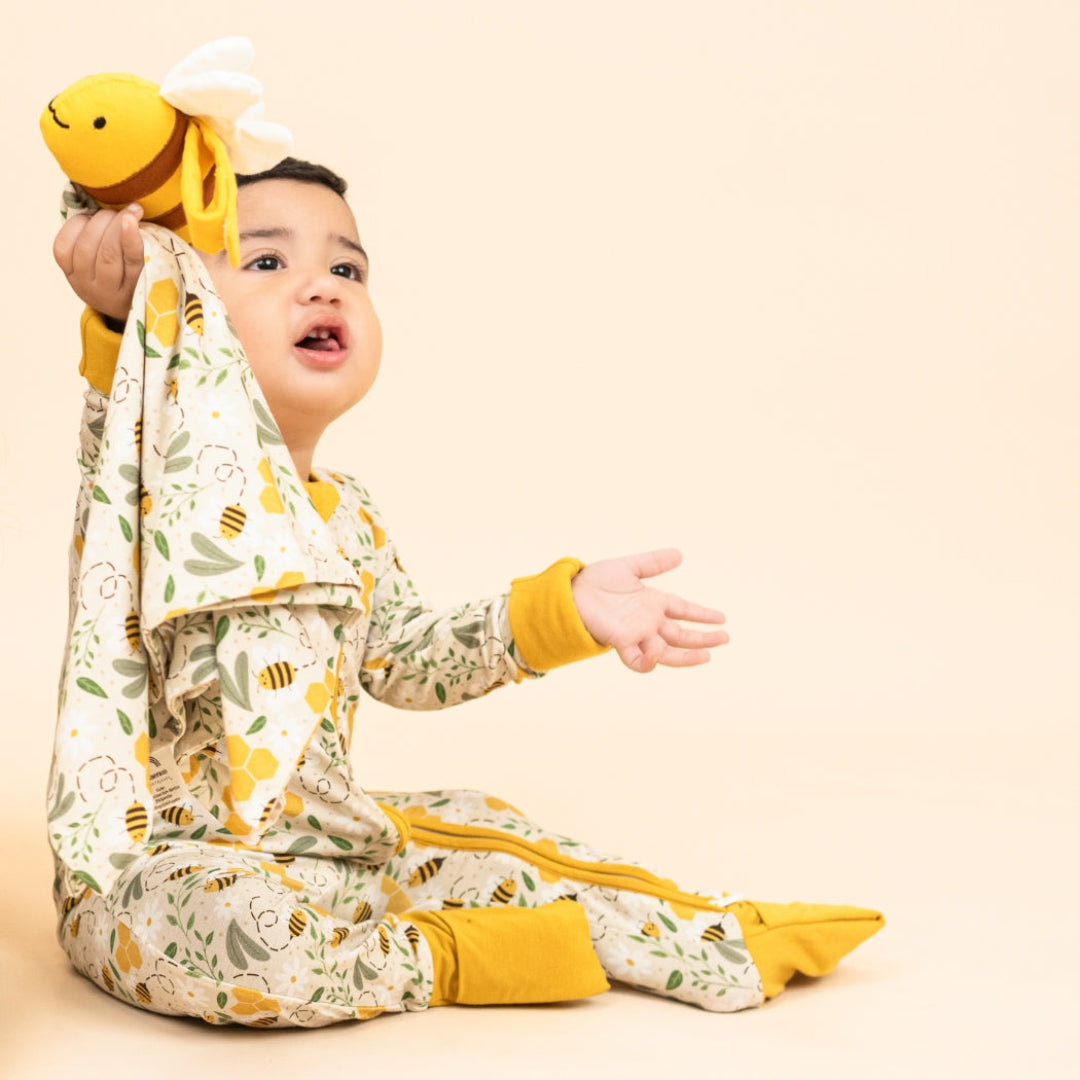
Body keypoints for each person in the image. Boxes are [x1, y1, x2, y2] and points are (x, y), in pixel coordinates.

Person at [49, 158, 882, 1027]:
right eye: (265, 263)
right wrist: (119, 312)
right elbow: (124, 400)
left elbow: (408, 660)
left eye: (347, 269)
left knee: (482, 826)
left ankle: (709, 939)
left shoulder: (352, 517)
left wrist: (562, 612)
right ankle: (446, 957)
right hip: (160, 870)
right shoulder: (145, 478)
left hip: (328, 851)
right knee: (231, 931)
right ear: (181, 313)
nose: (321, 290)